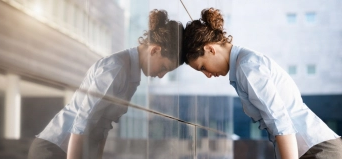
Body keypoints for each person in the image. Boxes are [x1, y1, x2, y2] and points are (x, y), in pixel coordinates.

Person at [181, 7, 342, 159]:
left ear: (210, 49)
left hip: (317, 150)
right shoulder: (243, 64)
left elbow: (280, 122)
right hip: (313, 148)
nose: (207, 75)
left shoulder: (246, 67)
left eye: (203, 67)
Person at [28, 9, 184, 159]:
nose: (162, 75)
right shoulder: (117, 68)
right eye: (164, 67)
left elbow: (103, 127)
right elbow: (82, 123)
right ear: (155, 50)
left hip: (71, 150)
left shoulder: (132, 75)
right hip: (53, 150)